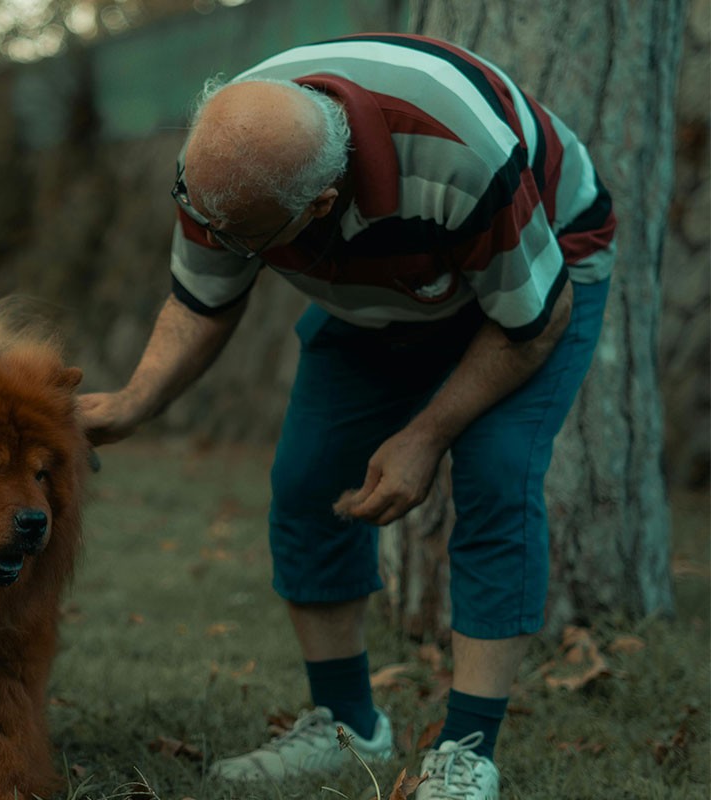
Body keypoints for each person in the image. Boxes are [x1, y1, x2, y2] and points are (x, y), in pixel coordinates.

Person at [78, 33, 615, 800]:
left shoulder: (458, 156)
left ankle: (466, 751)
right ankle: (344, 724)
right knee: (307, 481)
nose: (219, 242)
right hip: (388, 290)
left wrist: (424, 436)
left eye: (245, 240)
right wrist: (133, 401)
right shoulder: (227, 165)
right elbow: (202, 298)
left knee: (495, 475)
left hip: (539, 272)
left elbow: (534, 321)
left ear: (322, 204)